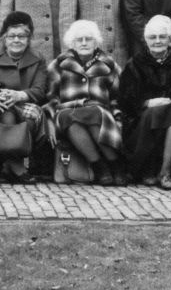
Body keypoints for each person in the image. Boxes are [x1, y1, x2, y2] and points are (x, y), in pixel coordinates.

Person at [118, 15, 171, 190]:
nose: (157, 41)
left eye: (162, 37)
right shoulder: (135, 64)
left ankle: (164, 171)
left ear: (169, 39)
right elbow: (125, 101)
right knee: (160, 112)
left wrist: (167, 103)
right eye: (152, 37)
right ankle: (153, 170)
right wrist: (147, 103)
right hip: (140, 122)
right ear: (145, 40)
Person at [48, 19, 126, 185]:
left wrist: (118, 117)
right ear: (72, 43)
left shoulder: (108, 64)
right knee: (70, 116)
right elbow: (51, 96)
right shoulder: (59, 64)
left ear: (96, 41)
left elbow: (117, 96)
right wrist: (51, 116)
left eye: (88, 39)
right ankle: (101, 166)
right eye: (79, 40)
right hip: (66, 112)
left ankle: (114, 164)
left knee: (94, 112)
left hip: (100, 113)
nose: (84, 43)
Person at [0, 11, 48, 184]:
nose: (16, 40)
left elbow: (40, 90)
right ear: (3, 38)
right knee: (6, 112)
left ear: (29, 38)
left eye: (22, 36)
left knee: (27, 116)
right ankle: (17, 167)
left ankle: (9, 167)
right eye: (11, 36)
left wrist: (19, 95)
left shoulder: (38, 59)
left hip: (26, 104)